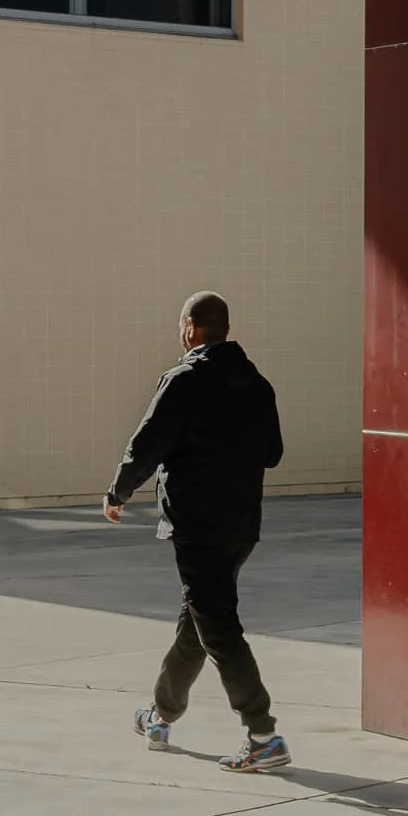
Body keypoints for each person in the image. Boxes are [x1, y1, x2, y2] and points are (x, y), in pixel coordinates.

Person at [103, 289, 289, 771]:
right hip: (242, 524)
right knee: (198, 623)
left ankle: (263, 734)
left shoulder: (183, 380)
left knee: (218, 626)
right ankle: (160, 715)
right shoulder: (257, 383)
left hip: (197, 523)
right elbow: (272, 453)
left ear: (189, 327)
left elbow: (146, 444)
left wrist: (118, 492)